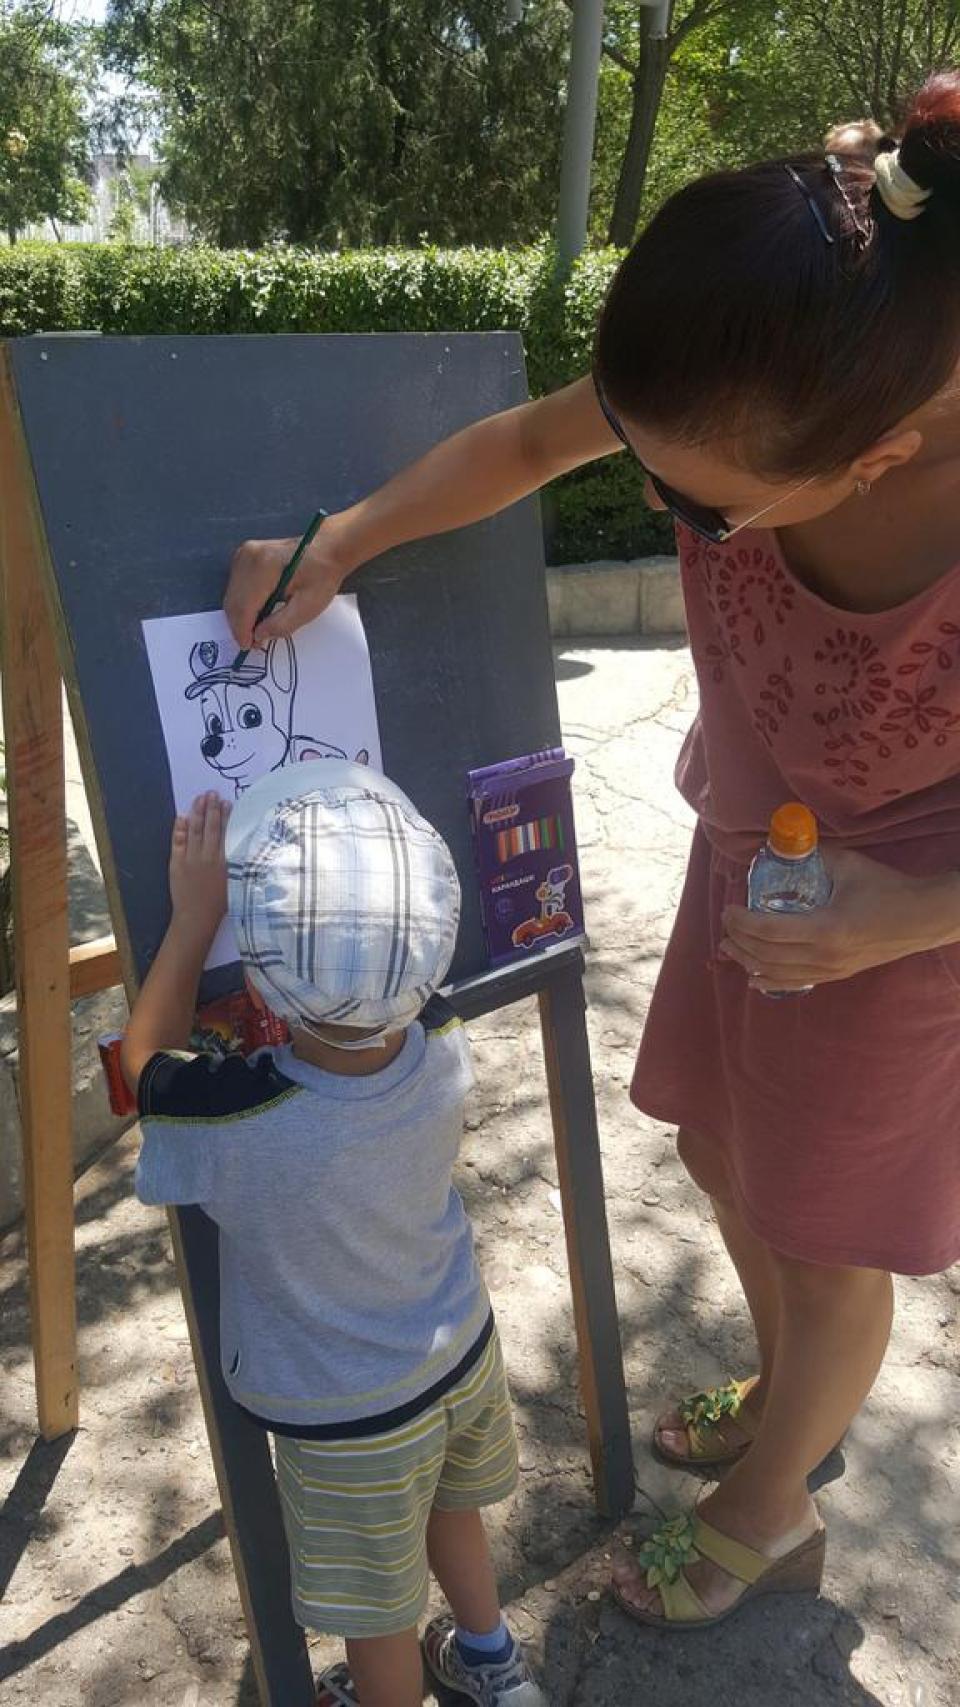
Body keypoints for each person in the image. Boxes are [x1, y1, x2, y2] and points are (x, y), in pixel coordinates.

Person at [224, 73, 960, 1633]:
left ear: (879, 459)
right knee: (716, 1146)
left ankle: (773, 1511)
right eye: (638, 449)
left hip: (903, 921)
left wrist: (905, 913)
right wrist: (345, 538)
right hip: (750, 849)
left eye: (700, 506)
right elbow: (522, 441)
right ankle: (793, 1395)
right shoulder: (771, 349)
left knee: (831, 1239)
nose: (652, 497)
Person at [120, 767, 548, 1707]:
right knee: (451, 1509)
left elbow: (143, 1064)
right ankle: (493, 1663)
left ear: (263, 983)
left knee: (376, 1611)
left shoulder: (242, 1118)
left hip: (349, 1415)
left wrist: (194, 920)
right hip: (458, 1351)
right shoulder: (443, 1039)